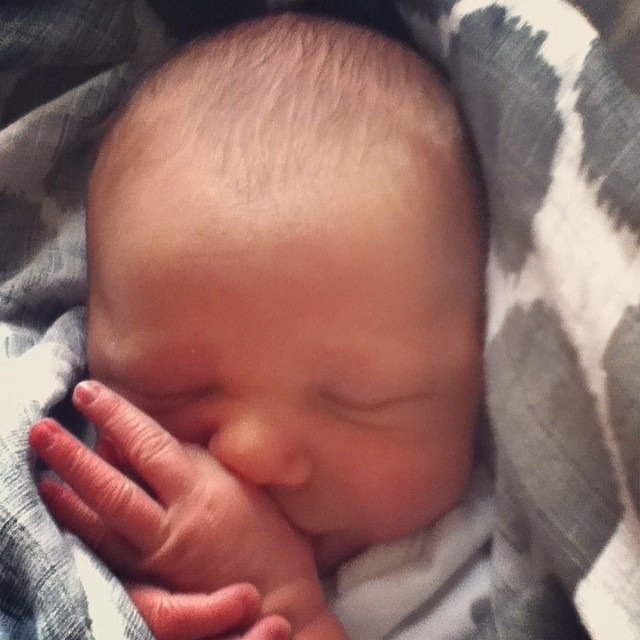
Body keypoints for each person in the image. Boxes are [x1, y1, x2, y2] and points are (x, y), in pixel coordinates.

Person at [29, 12, 487, 640]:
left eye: (360, 400)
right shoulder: (63, 479)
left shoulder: (487, 564)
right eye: (171, 388)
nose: (249, 453)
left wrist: (282, 608)